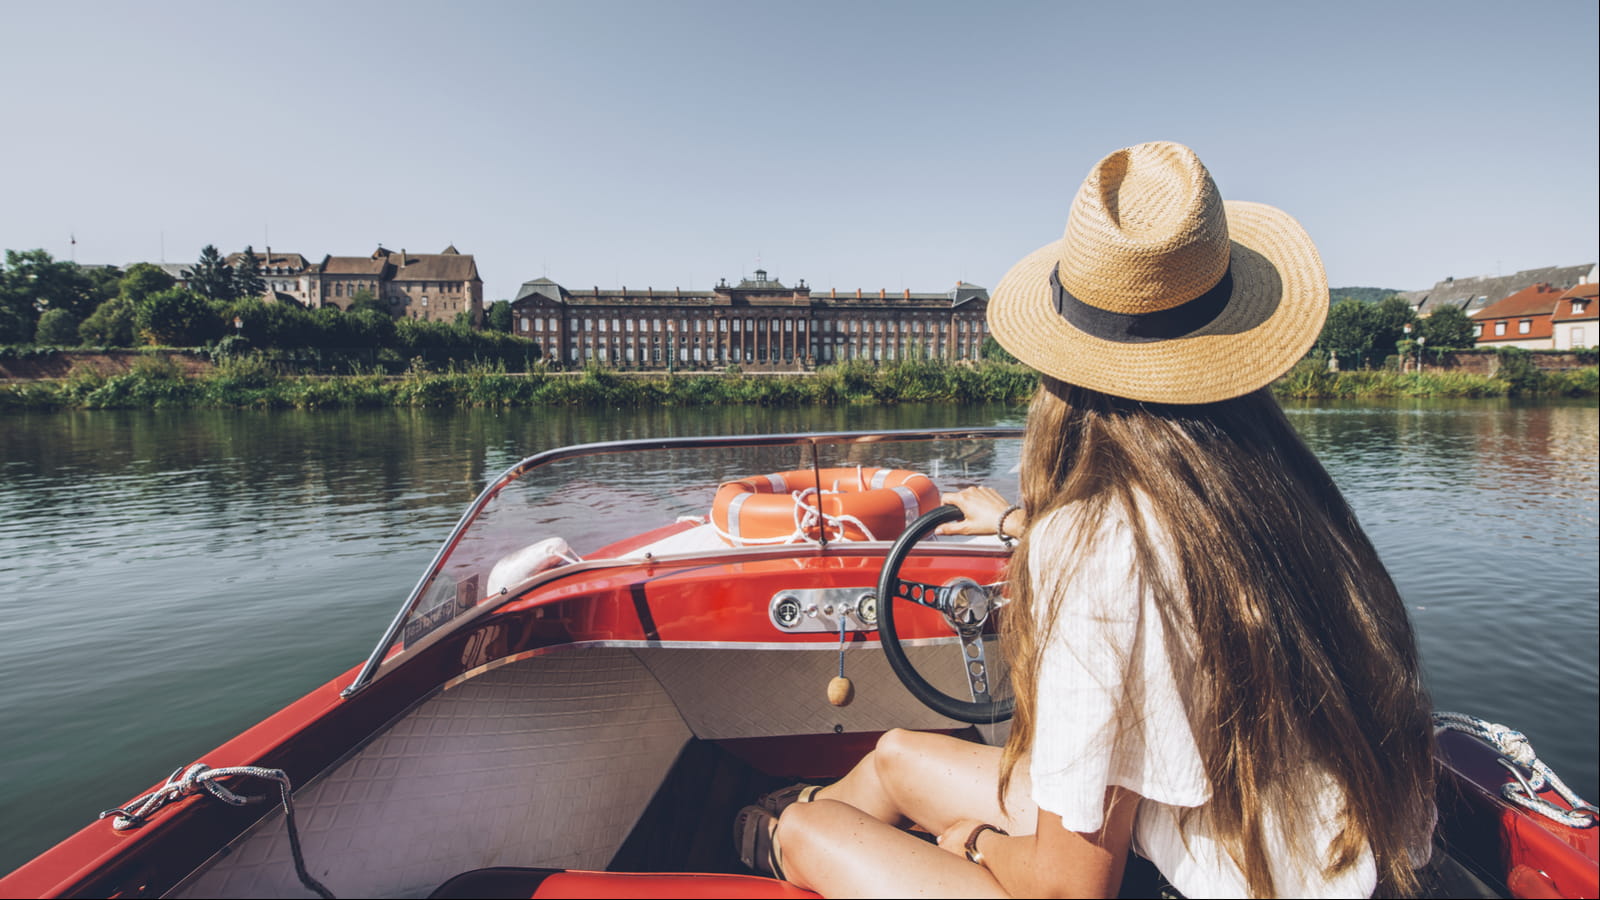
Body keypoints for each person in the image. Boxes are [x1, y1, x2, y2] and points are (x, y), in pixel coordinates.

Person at [732, 141, 1436, 898]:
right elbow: (1176, 557)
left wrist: (979, 847)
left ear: (1059, 367)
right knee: (899, 753)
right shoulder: (1284, 494)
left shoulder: (1097, 547)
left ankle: (779, 832)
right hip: (1328, 867)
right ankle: (784, 825)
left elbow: (1067, 892)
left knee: (810, 835)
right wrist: (1019, 529)